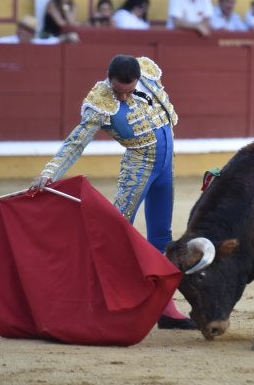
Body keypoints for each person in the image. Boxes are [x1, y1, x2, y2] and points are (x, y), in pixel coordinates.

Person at [29, 54, 196, 330]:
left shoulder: (149, 74)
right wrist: (50, 172)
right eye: (119, 90)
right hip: (138, 168)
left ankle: (164, 308)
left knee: (161, 237)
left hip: (166, 167)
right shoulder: (99, 102)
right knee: (115, 232)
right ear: (109, 77)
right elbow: (75, 143)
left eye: (129, 90)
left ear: (138, 79)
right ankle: (90, 301)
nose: (123, 97)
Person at [0, 15, 79, 44]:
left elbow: (52, 41)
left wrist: (67, 37)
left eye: (25, 29)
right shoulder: (3, 42)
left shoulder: (36, 42)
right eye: (20, 27)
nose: (20, 31)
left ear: (31, 33)